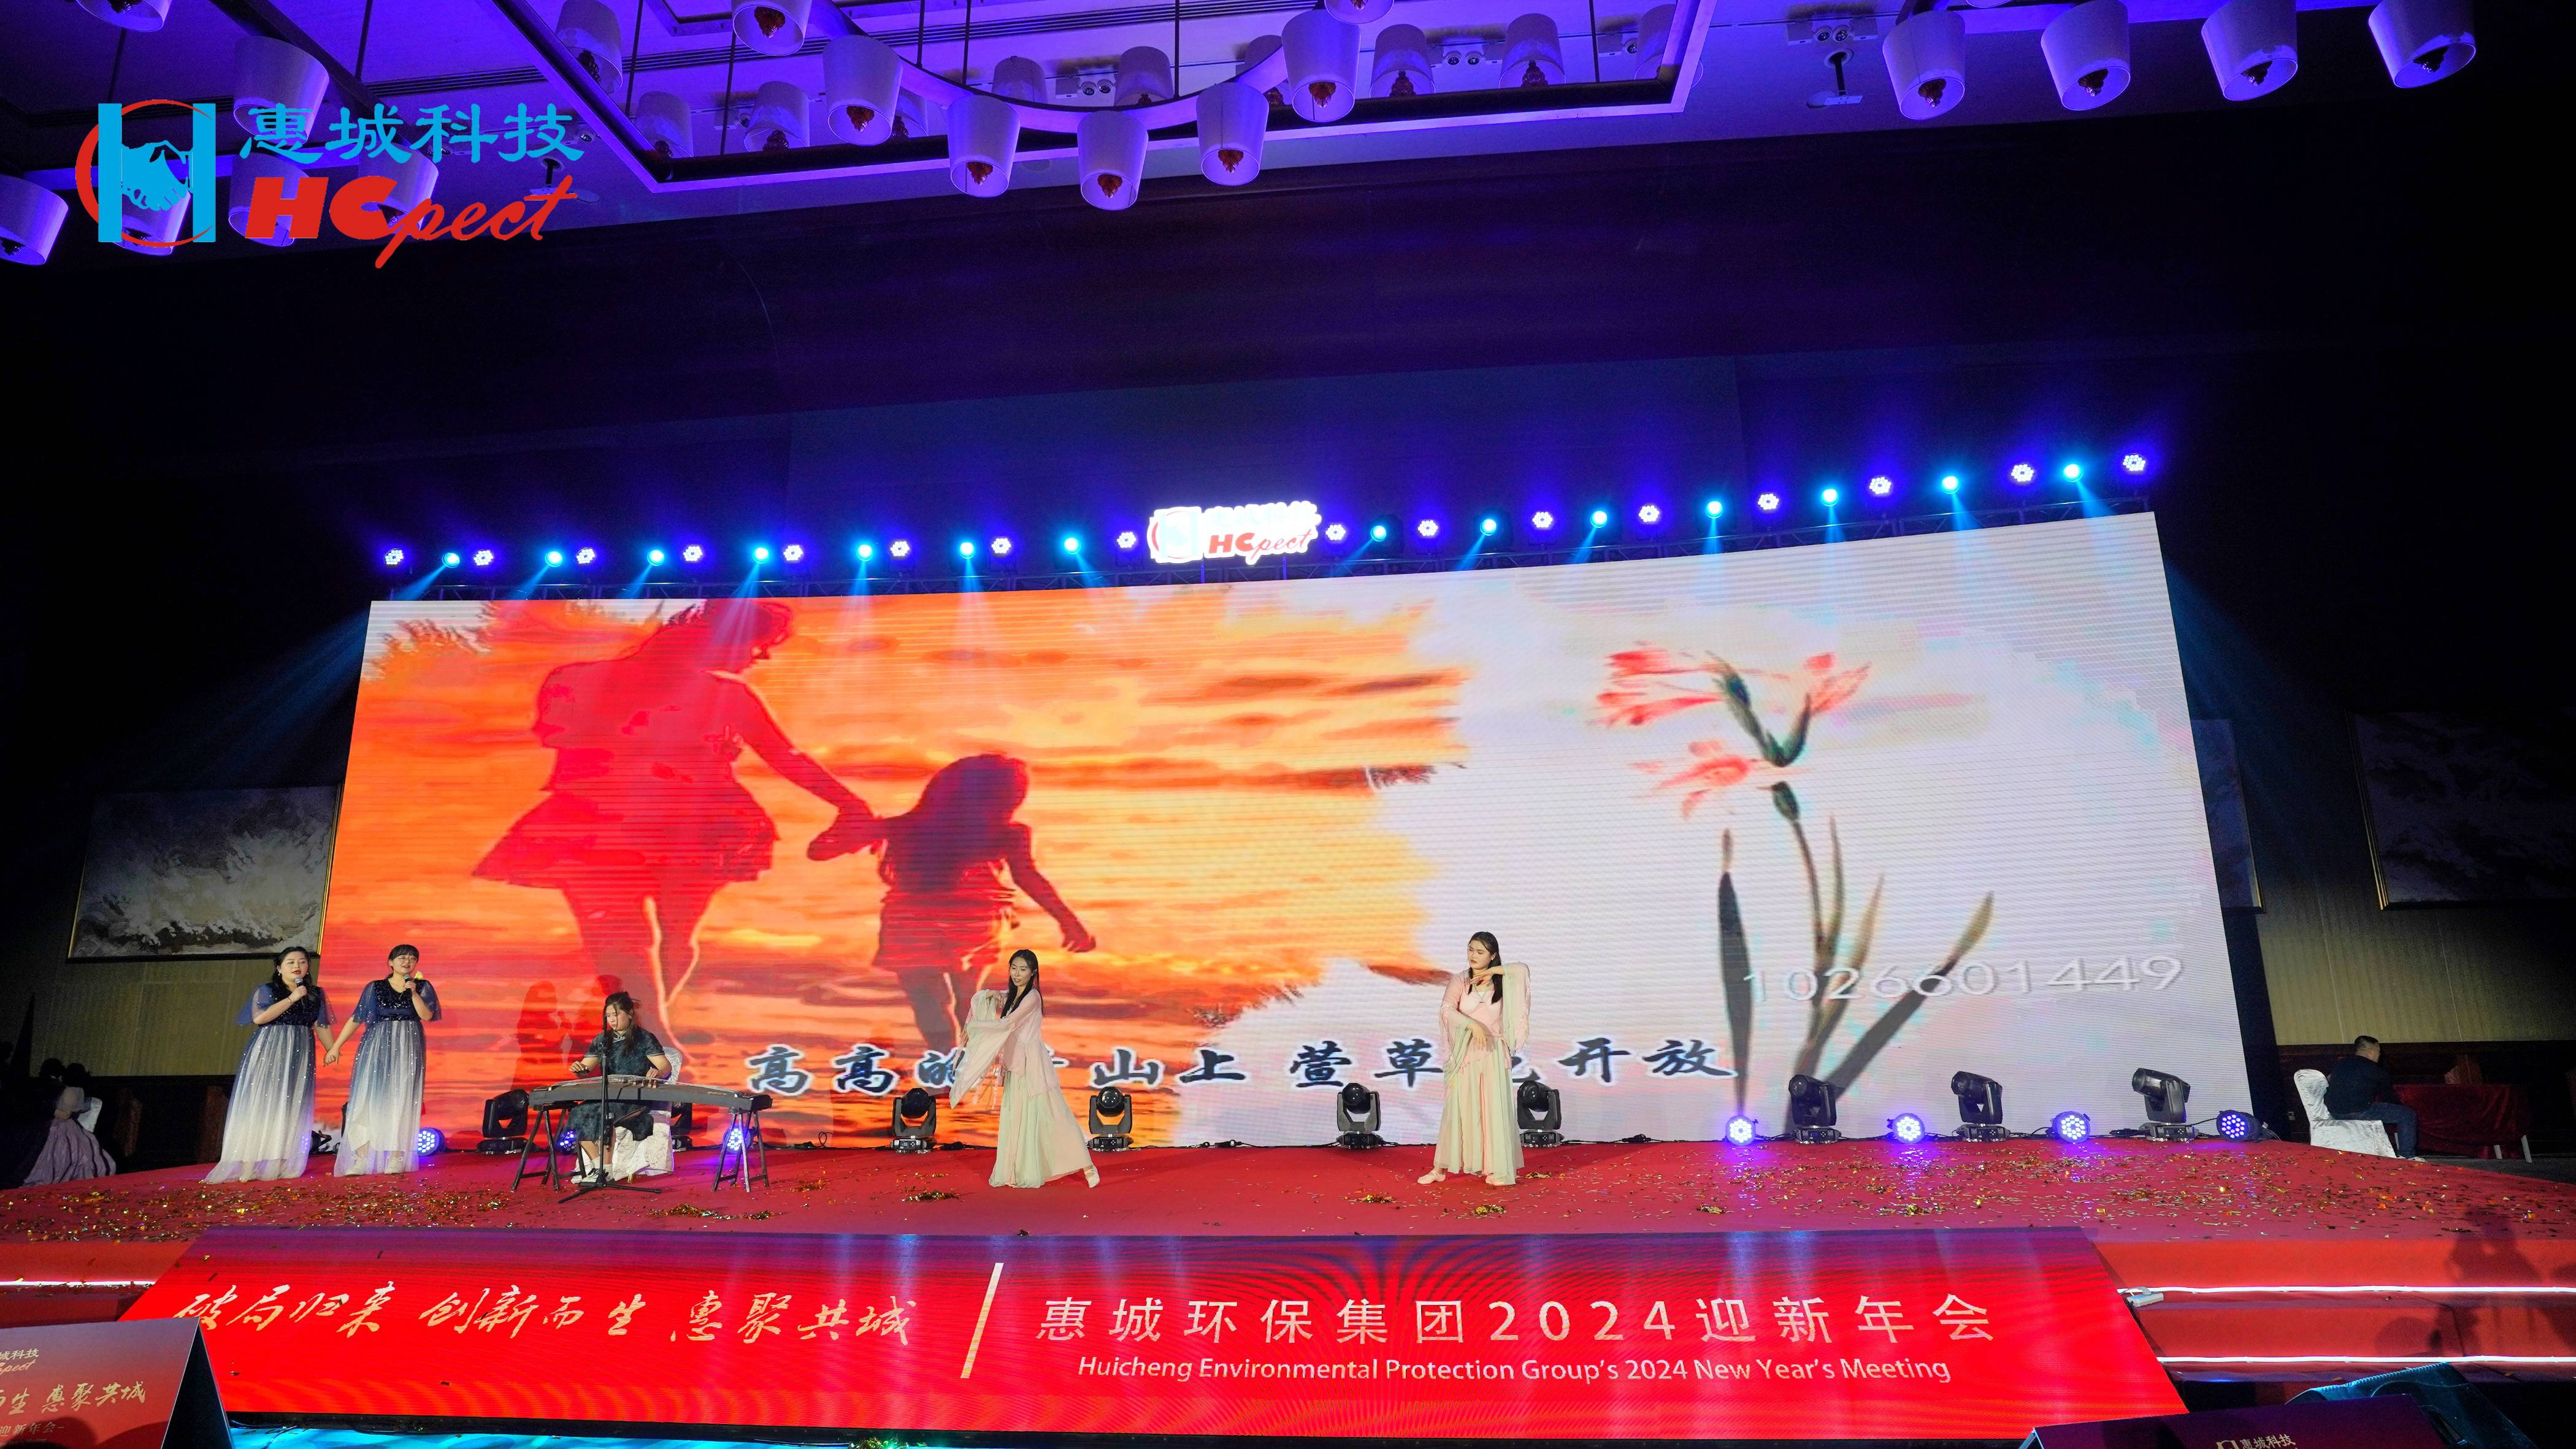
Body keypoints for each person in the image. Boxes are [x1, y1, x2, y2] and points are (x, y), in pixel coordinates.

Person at [474, 599, 875, 1049]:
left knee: (629, 936)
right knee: (667, 935)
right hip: (686, 820)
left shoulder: (571, 678)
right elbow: (787, 758)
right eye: (758, 644)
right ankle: (651, 1034)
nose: (762, 656)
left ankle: (640, 1031)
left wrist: (851, 805)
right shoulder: (726, 695)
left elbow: (562, 740)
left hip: (601, 818)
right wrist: (851, 806)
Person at [811, 753, 1095, 1053]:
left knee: (928, 997)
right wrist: (1069, 922)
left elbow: (819, 853)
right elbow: (1029, 878)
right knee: (969, 994)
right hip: (977, 922)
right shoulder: (1011, 833)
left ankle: (946, 1060)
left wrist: (847, 821)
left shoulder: (901, 826)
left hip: (912, 923)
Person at [948, 949, 1097, 1189]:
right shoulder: (1014, 994)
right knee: (1015, 1118)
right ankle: (1016, 1171)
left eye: (1023, 970)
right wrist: (989, 996)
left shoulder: (1032, 998)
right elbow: (1000, 997)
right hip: (1014, 1064)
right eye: (1014, 968)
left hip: (1032, 1065)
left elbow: (1009, 1023)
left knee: (1054, 1115)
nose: (1017, 974)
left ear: (1033, 972)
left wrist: (975, 1027)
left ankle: (1087, 1166)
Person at [207, 947, 332, 1183]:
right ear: (279, 968)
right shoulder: (268, 990)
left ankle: (280, 1164)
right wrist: (292, 999)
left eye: (302, 962)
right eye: (291, 962)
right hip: (271, 1049)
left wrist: (332, 1048)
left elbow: (321, 1024)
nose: (297, 966)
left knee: (291, 1106)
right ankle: (249, 1166)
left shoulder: (315, 994)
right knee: (262, 1104)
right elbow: (260, 1017)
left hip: (300, 1052)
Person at [1419, 931, 1530, 1187]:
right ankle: (1439, 1169)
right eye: (1470, 949)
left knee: (1492, 1112)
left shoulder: (1504, 981)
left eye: (1480, 952)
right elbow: (1446, 1010)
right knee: (1456, 1110)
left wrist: (1495, 971)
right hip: (1466, 1054)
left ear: (1493, 956)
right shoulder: (1460, 980)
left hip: (1493, 1054)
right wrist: (1472, 1025)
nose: (1473, 956)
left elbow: (1523, 971)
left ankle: (1496, 1168)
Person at [324, 944, 443, 1176]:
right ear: (390, 962)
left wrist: (414, 993)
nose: (407, 961)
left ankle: (396, 1157)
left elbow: (427, 1015)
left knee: (401, 1099)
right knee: (366, 1100)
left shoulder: (422, 987)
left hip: (408, 1045)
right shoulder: (375, 987)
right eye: (402, 958)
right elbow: (357, 1018)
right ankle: (361, 1158)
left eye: (412, 958)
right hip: (377, 1045)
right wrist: (336, 1046)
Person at [567, 992, 673, 1183]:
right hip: (607, 1095)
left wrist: (657, 1072)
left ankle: (606, 1170)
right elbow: (586, 1067)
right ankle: (599, 1167)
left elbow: (665, 1066)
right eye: (608, 1016)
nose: (612, 1021)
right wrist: (579, 1069)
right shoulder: (602, 1040)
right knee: (578, 1113)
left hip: (633, 1098)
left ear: (630, 1014)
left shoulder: (644, 1038)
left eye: (616, 1015)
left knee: (605, 1114)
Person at [2324, 1034, 2418, 1158]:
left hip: (2334, 1111)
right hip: (2358, 1111)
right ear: (2371, 1052)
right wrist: (2399, 1107)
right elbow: (2388, 1097)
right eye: (2379, 1052)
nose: (2380, 1055)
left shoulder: (2341, 1063)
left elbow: (2330, 1081)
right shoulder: (2375, 1069)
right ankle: (2407, 1156)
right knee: (2407, 1115)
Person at [21, 1068, 116, 1185]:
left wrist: (47, 1109)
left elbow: (66, 1115)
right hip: (50, 1124)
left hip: (62, 1126)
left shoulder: (71, 1091)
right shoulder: (59, 1089)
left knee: (62, 1151)